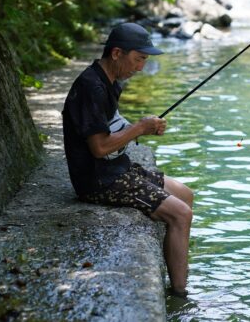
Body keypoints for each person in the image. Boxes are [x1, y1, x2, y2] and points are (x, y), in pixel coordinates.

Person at [62, 22, 194, 297]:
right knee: (181, 214)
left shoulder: (109, 82)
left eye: (144, 60)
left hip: (117, 169)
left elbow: (111, 133)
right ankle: (181, 295)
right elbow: (99, 148)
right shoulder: (91, 87)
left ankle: (173, 266)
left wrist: (141, 129)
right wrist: (138, 128)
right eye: (138, 59)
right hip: (99, 181)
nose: (140, 67)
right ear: (117, 53)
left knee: (185, 195)